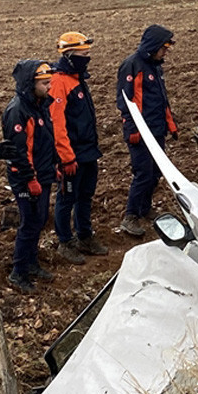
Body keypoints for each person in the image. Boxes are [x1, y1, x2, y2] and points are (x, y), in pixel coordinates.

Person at [49, 31, 108, 264]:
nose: (88, 58)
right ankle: (65, 242)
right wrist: (66, 157)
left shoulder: (77, 80)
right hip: (71, 155)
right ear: (70, 54)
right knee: (67, 197)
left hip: (87, 151)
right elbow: (57, 123)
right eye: (84, 54)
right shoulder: (60, 82)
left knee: (85, 195)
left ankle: (85, 235)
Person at [1, 60, 58, 293]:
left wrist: (52, 165)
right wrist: (30, 179)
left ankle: (32, 263)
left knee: (40, 219)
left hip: (43, 175)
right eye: (45, 83)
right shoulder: (17, 112)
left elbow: (45, 140)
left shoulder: (40, 105)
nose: (49, 87)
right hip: (26, 179)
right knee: (30, 223)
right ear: (30, 83)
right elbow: (19, 152)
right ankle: (18, 272)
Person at [116, 25, 178, 237]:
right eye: (164, 47)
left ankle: (144, 207)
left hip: (157, 129)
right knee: (143, 173)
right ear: (154, 46)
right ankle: (130, 216)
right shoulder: (132, 66)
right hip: (141, 133)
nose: (166, 52)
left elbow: (162, 99)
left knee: (156, 172)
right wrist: (133, 129)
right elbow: (126, 101)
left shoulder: (156, 67)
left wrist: (170, 124)